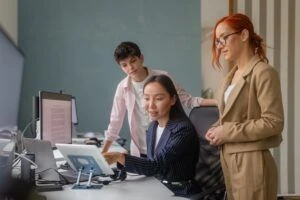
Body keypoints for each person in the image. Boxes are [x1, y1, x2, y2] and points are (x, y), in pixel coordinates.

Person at [205, 13, 284, 200]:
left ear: (243, 35)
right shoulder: (230, 76)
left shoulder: (263, 72)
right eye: (217, 41)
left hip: (252, 161)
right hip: (229, 158)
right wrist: (217, 127)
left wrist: (226, 131)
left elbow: (274, 122)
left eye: (224, 37)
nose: (220, 45)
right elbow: (233, 115)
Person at [102, 41, 216, 157]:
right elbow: (115, 121)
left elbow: (188, 100)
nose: (130, 67)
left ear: (141, 58)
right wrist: (103, 152)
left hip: (167, 146)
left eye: (133, 61)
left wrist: (219, 101)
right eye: (124, 65)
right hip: (141, 150)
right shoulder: (123, 87)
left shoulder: (162, 78)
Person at [103, 74, 200, 197]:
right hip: (158, 187)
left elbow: (155, 166)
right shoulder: (153, 126)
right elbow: (151, 161)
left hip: (179, 191)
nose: (151, 105)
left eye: (158, 99)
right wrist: (120, 163)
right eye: (146, 98)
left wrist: (119, 157)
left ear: (173, 100)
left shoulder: (182, 130)